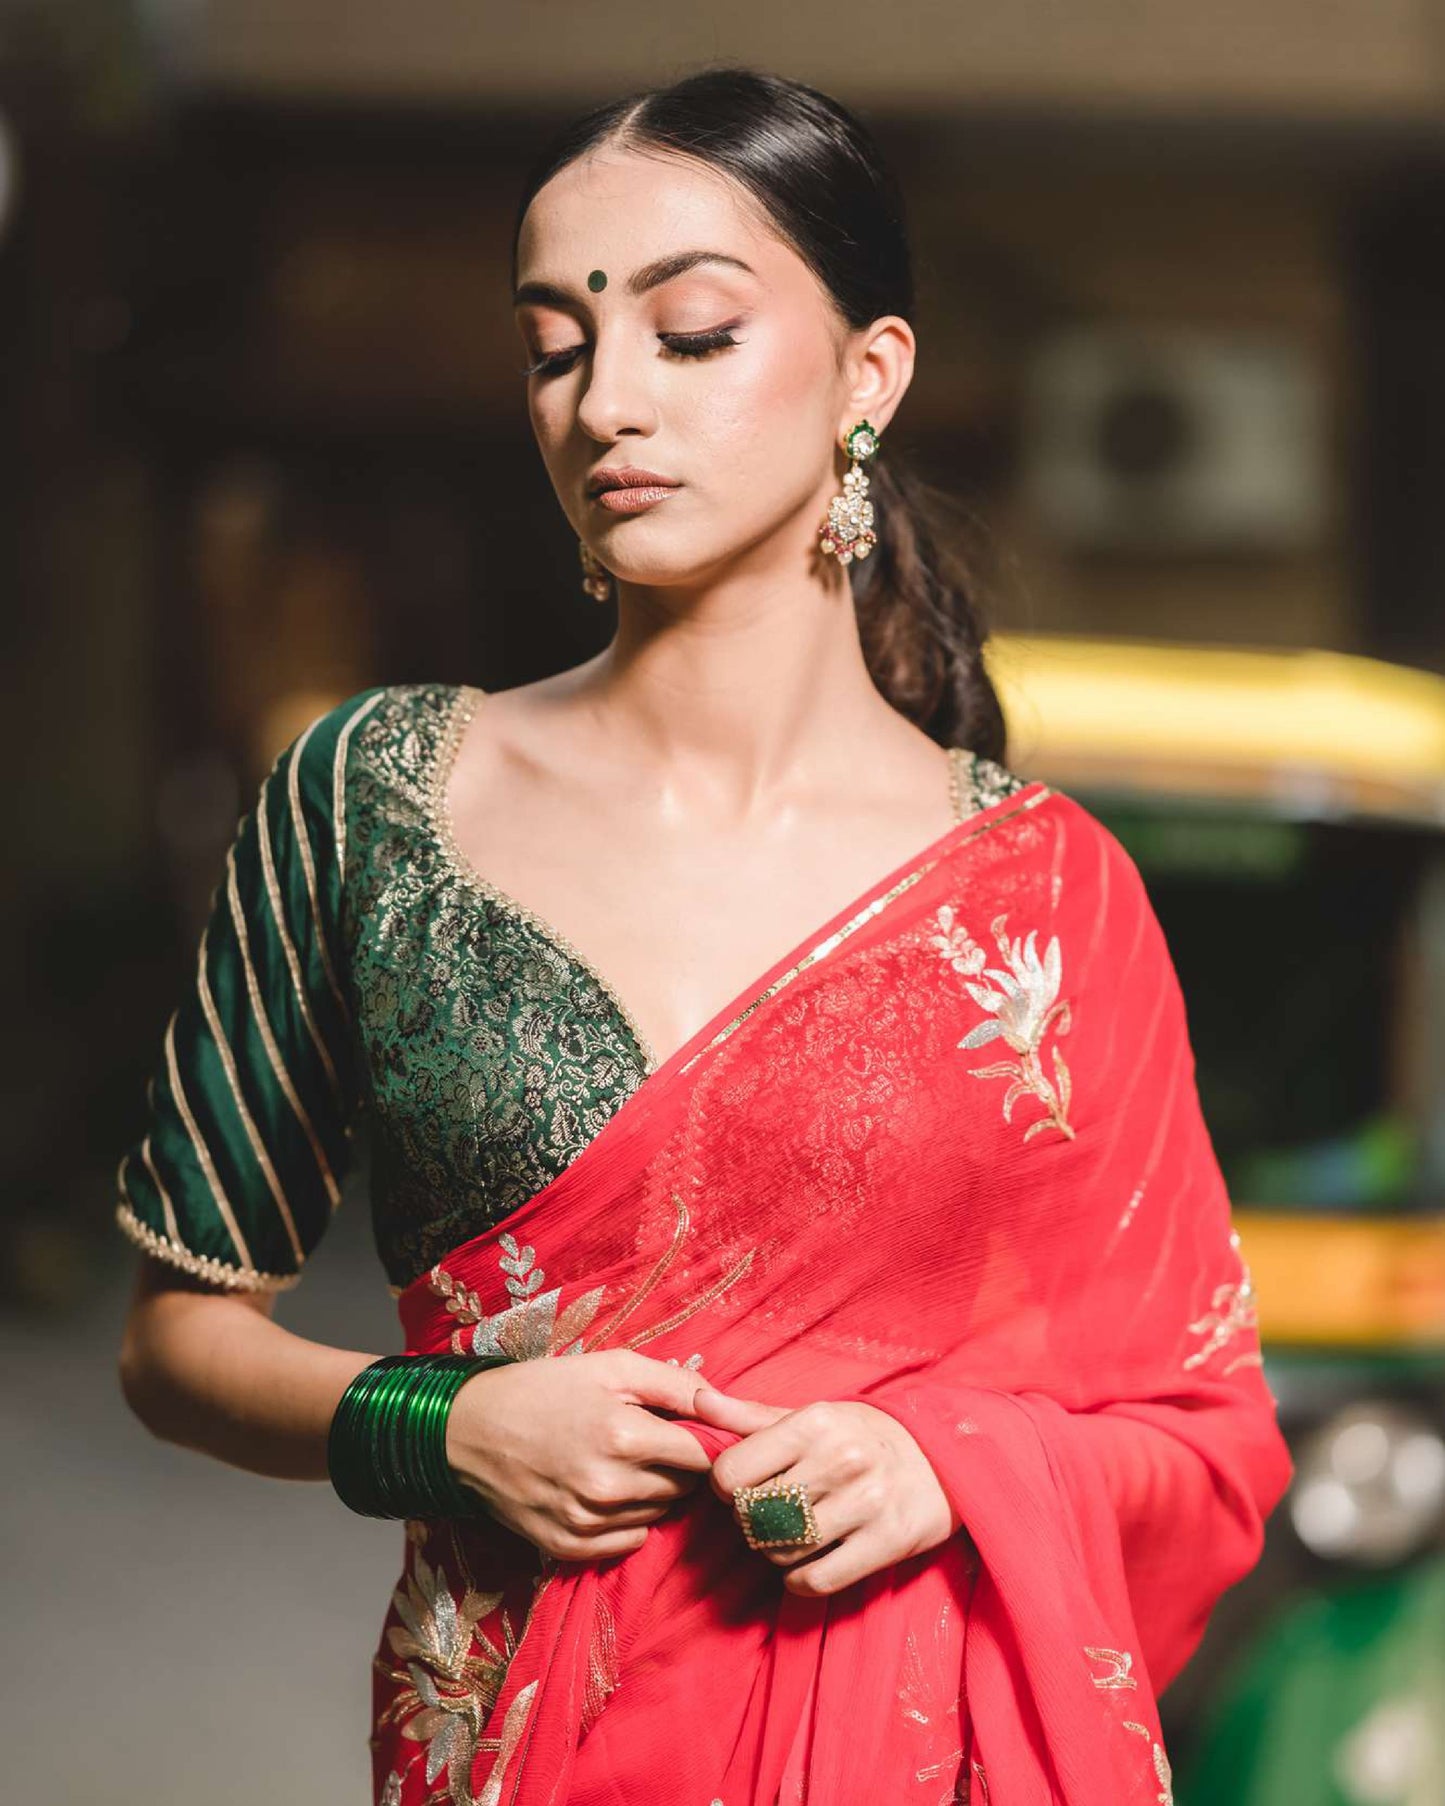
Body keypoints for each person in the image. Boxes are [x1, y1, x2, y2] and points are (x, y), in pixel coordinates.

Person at [115, 66, 1294, 1806]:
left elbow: (1201, 1438)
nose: (605, 404)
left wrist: (945, 1464)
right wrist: (431, 1427)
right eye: (550, 347)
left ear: (866, 377)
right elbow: (176, 1339)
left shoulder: (1043, 892)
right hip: (512, 1745)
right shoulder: (371, 796)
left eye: (692, 332)